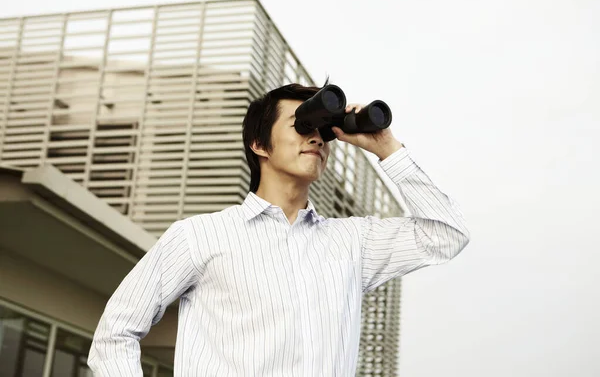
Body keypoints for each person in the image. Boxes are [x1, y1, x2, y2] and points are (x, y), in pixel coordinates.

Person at [88, 82, 470, 376]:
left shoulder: (353, 243)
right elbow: (117, 331)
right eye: (302, 125)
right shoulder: (199, 236)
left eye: (322, 128)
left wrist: (386, 147)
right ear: (260, 144)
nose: (316, 137)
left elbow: (446, 234)